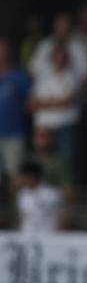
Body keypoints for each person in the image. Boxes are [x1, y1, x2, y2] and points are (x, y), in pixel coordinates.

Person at [0, 38, 31, 188]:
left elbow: (30, 103)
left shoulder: (19, 77)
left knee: (16, 176)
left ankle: (18, 210)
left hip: (14, 133)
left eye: (3, 48)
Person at [16, 161, 65, 233]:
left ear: (32, 177)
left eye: (24, 177)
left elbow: (62, 217)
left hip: (48, 236)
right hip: (27, 236)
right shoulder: (22, 194)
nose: (22, 180)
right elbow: (23, 218)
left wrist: (58, 237)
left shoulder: (52, 194)